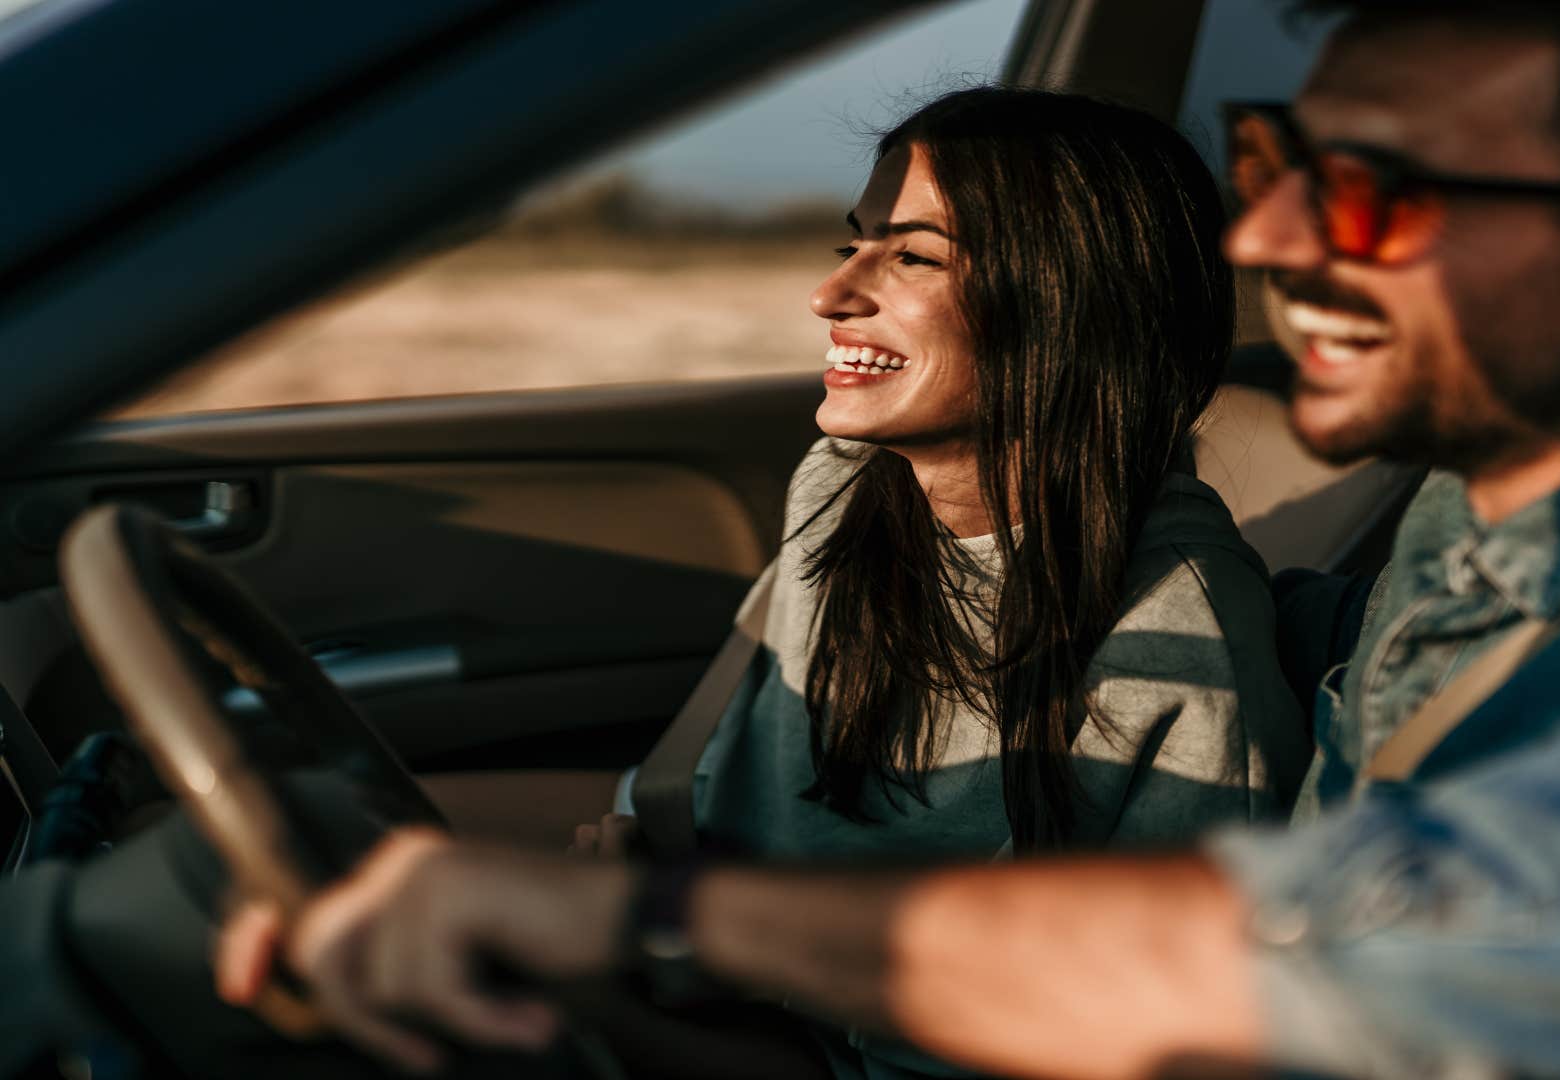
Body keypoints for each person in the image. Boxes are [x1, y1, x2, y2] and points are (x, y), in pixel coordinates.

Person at [217, 2, 1560, 1077]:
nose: (1257, 237)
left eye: (1369, 197)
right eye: (1274, 166)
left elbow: (1470, 953)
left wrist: (671, 929)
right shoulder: (1459, 529)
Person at [224, 87, 1307, 1078]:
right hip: (691, 947)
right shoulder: (845, 488)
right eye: (854, 246)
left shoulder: (1183, 648)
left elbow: (1133, 1025)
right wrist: (627, 863)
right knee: (283, 857)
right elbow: (739, 783)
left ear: (1072, 305)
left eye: (912, 259)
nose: (830, 293)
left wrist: (634, 959)